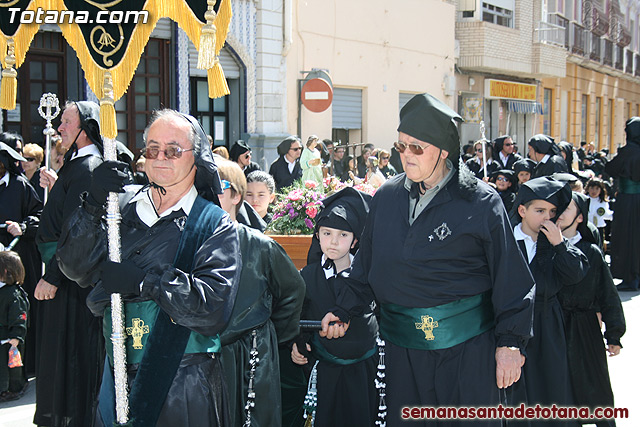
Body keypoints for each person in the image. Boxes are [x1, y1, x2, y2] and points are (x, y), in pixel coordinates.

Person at [321, 94, 535, 427]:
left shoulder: (481, 202)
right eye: (401, 145)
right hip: (402, 351)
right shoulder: (387, 198)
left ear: (444, 150)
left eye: (417, 147)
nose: (406, 154)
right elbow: (367, 265)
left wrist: (510, 342)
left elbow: (511, 276)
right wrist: (345, 309)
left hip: (467, 351)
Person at [56, 109, 241, 427]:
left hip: (183, 380)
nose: (160, 158)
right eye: (152, 149)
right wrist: (92, 204)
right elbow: (75, 267)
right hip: (115, 372)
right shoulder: (119, 207)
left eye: (172, 150)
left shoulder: (214, 224)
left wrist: (145, 283)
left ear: (195, 157)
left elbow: (213, 309)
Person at [215, 159, 305, 427]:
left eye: (218, 186)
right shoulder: (187, 241)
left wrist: (266, 332)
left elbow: (293, 290)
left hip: (252, 355)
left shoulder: (260, 245)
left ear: (236, 195)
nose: (209, 193)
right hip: (205, 355)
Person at [33, 101, 105, 427]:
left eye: (66, 121)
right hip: (65, 281)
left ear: (85, 128)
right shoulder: (76, 166)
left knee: (73, 364)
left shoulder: (88, 167)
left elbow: (81, 234)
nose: (58, 127)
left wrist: (52, 277)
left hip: (71, 286)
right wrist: (56, 187)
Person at [292, 187, 378, 427]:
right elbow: (299, 314)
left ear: (355, 240)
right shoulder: (307, 276)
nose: (333, 241)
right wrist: (299, 340)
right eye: (327, 233)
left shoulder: (369, 276)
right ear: (317, 235)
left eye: (343, 235)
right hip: (325, 371)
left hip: (363, 370)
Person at [510, 177, 588, 424]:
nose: (547, 217)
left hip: (548, 326)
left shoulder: (557, 243)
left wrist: (560, 246)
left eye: (553, 212)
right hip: (510, 326)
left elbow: (576, 275)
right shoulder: (505, 240)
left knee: (550, 390)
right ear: (522, 210)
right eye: (540, 210)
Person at [556, 192, 625, 427]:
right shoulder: (541, 249)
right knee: (561, 392)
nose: (560, 212)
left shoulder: (592, 252)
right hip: (553, 325)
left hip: (585, 327)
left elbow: (608, 294)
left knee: (595, 388)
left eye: (568, 209)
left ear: (580, 217)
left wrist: (614, 332)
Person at [0, 142, 42, 378]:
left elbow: (39, 216)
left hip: (16, 259)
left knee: (15, 314)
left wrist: (22, 227)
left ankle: (19, 373)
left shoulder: (20, 187)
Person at [605, 117, 640, 291]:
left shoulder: (628, 151)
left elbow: (610, 169)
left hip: (628, 201)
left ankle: (630, 277)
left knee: (627, 237)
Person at [0, 250, 29, 403]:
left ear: (5, 271)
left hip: (8, 339)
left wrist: (16, 338)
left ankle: (12, 389)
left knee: (11, 367)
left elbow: (20, 317)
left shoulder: (14, 295)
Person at [585, 178, 613, 243]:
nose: (594, 191)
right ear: (587, 188)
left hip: (599, 228)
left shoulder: (603, 202)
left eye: (597, 188)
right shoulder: (584, 199)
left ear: (601, 190)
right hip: (586, 228)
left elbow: (606, 215)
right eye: (592, 188)